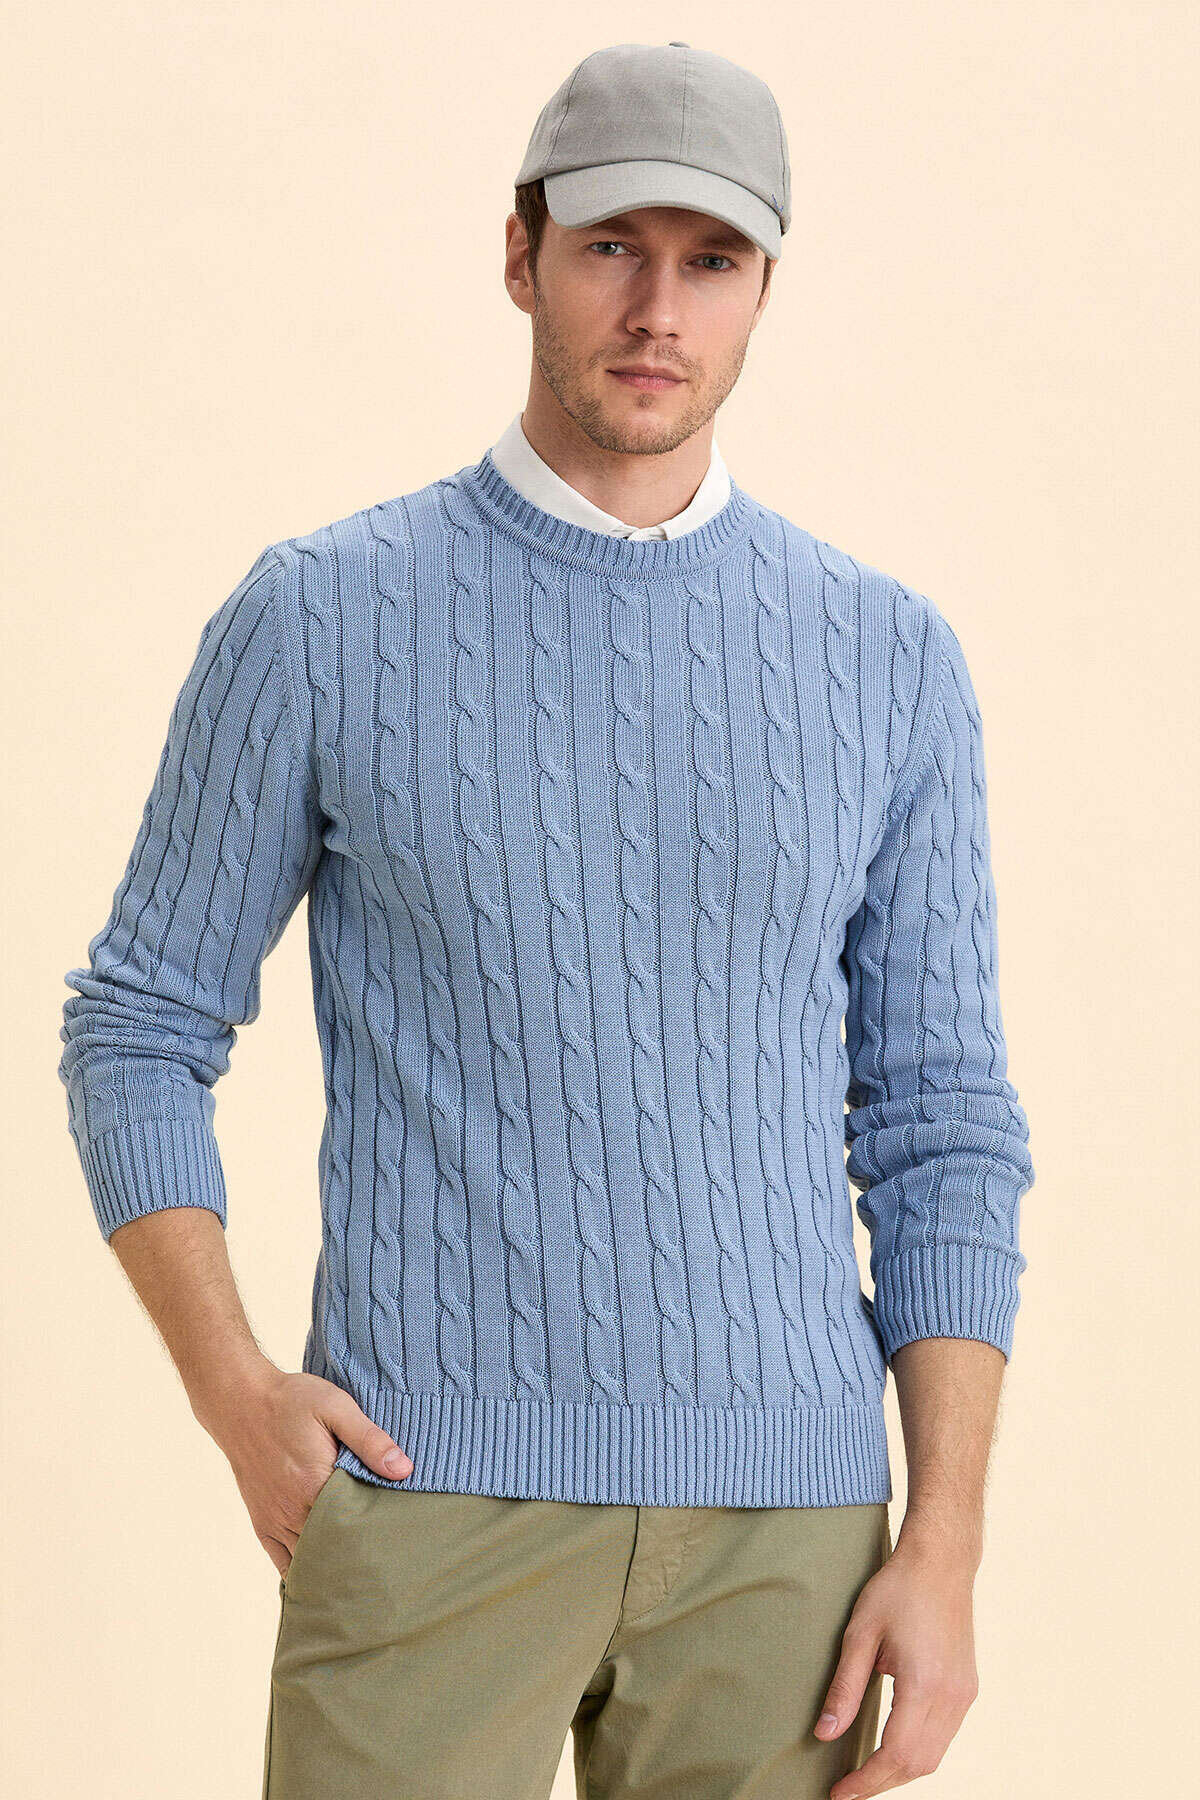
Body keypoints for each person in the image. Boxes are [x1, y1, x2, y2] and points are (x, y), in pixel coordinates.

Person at [57, 40, 1035, 1800]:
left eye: (711, 260)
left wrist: (944, 1540)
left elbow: (943, 1121)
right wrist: (234, 1393)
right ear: (521, 256)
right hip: (427, 1505)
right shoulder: (321, 618)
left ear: (764, 290)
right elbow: (137, 1025)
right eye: (610, 249)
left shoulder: (888, 659)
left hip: (791, 1542)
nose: (658, 310)